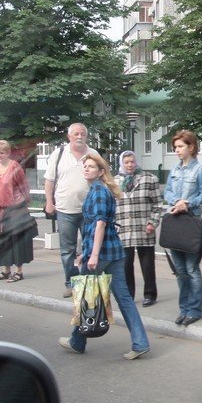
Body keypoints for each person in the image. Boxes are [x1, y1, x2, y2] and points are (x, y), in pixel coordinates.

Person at [58, 154, 151, 359]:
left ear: (101, 172)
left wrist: (93, 255)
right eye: (85, 166)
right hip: (113, 251)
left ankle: (77, 341)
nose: (86, 169)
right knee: (124, 298)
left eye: (91, 167)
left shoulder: (99, 191)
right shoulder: (99, 189)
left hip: (102, 253)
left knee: (84, 296)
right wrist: (85, 252)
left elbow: (99, 224)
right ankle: (140, 342)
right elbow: (94, 228)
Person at [43, 123, 101, 299]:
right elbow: (49, 180)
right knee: (67, 250)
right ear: (69, 136)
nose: (79, 136)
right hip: (65, 210)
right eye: (76, 133)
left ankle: (89, 282)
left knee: (90, 247)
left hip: (89, 211)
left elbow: (103, 178)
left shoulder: (93, 154)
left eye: (82, 133)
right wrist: (49, 202)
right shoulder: (59, 154)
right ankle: (71, 283)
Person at [162, 130, 202, 326]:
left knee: (192, 268)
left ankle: (194, 310)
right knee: (180, 270)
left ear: (191, 147)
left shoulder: (201, 170)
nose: (177, 150)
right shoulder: (174, 171)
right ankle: (183, 308)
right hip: (175, 221)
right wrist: (176, 201)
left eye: (180, 146)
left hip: (190, 222)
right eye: (175, 147)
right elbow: (167, 192)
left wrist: (188, 203)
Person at [115, 150, 162, 306]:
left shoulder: (148, 179)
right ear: (121, 163)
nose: (130, 165)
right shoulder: (113, 181)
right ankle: (129, 293)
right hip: (123, 228)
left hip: (143, 227)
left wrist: (152, 222)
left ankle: (150, 294)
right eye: (126, 162)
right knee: (125, 264)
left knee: (147, 263)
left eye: (132, 161)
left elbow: (157, 204)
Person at [0, 139, 36, 283]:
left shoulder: (14, 166)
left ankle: (19, 271)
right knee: (2, 240)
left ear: (8, 153)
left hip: (16, 208)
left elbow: (24, 186)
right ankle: (6, 270)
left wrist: (25, 203)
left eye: (2, 153)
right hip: (1, 208)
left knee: (17, 240)